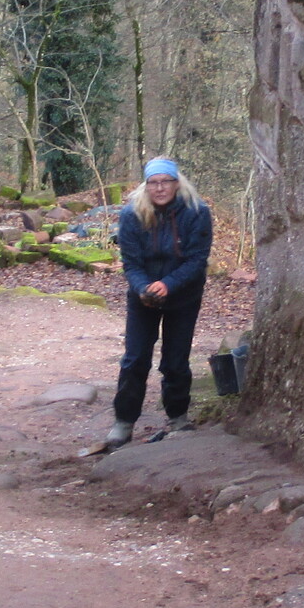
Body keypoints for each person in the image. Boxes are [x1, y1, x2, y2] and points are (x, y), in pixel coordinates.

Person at [102, 157, 213, 450]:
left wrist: (168, 285)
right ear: (146, 185)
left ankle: (178, 417)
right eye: (153, 182)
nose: (160, 188)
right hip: (143, 296)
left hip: (184, 294)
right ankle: (123, 422)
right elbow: (131, 262)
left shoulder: (197, 212)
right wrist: (143, 288)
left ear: (177, 183)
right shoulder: (132, 214)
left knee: (176, 360)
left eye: (166, 181)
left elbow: (197, 259)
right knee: (135, 358)